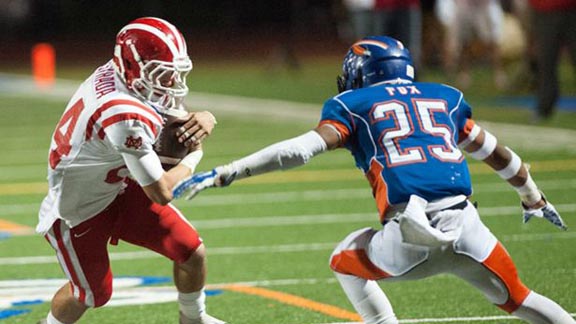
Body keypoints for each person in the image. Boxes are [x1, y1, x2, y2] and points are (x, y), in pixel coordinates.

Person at [175, 36, 574, 324]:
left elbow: (299, 150)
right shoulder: (444, 99)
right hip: (467, 227)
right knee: (522, 299)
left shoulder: (356, 104)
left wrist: (229, 171)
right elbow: (498, 153)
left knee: (344, 261)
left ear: (364, 73)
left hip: (408, 234)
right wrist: (532, 196)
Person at [36, 17, 226, 324]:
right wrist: (194, 156)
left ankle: (193, 319)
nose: (171, 83)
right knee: (91, 294)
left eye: (173, 74)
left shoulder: (121, 74)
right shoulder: (121, 109)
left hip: (118, 184)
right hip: (77, 207)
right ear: (133, 68)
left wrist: (199, 117)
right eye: (161, 74)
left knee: (192, 252)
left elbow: (167, 109)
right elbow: (162, 191)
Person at [529, 0, 576, 121]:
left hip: (571, 9)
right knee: (546, 60)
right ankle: (545, 107)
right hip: (545, 10)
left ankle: (544, 107)